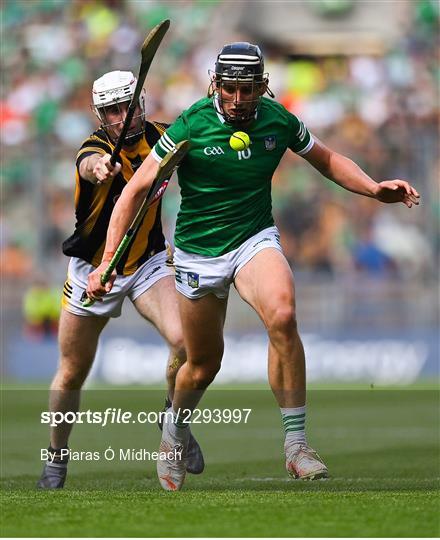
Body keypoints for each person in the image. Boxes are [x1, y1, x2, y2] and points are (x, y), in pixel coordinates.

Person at [87, 44, 420, 491]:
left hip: (253, 238)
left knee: (282, 315)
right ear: (215, 85)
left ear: (263, 86)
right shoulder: (190, 124)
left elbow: (328, 160)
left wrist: (374, 189)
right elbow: (133, 192)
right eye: (230, 89)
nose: (239, 99)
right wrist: (107, 261)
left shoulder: (277, 119)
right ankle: (174, 432)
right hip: (197, 253)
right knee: (204, 364)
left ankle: (297, 445)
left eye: (248, 89)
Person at [37, 70, 204, 489]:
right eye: (110, 111)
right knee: (72, 371)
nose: (120, 118)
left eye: (125, 107)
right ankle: (56, 458)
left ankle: (171, 418)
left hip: (147, 262)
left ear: (141, 103)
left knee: (186, 343)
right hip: (93, 269)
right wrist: (100, 167)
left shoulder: (165, 137)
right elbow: (89, 164)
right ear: (100, 114)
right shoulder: (94, 148)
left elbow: (197, 141)